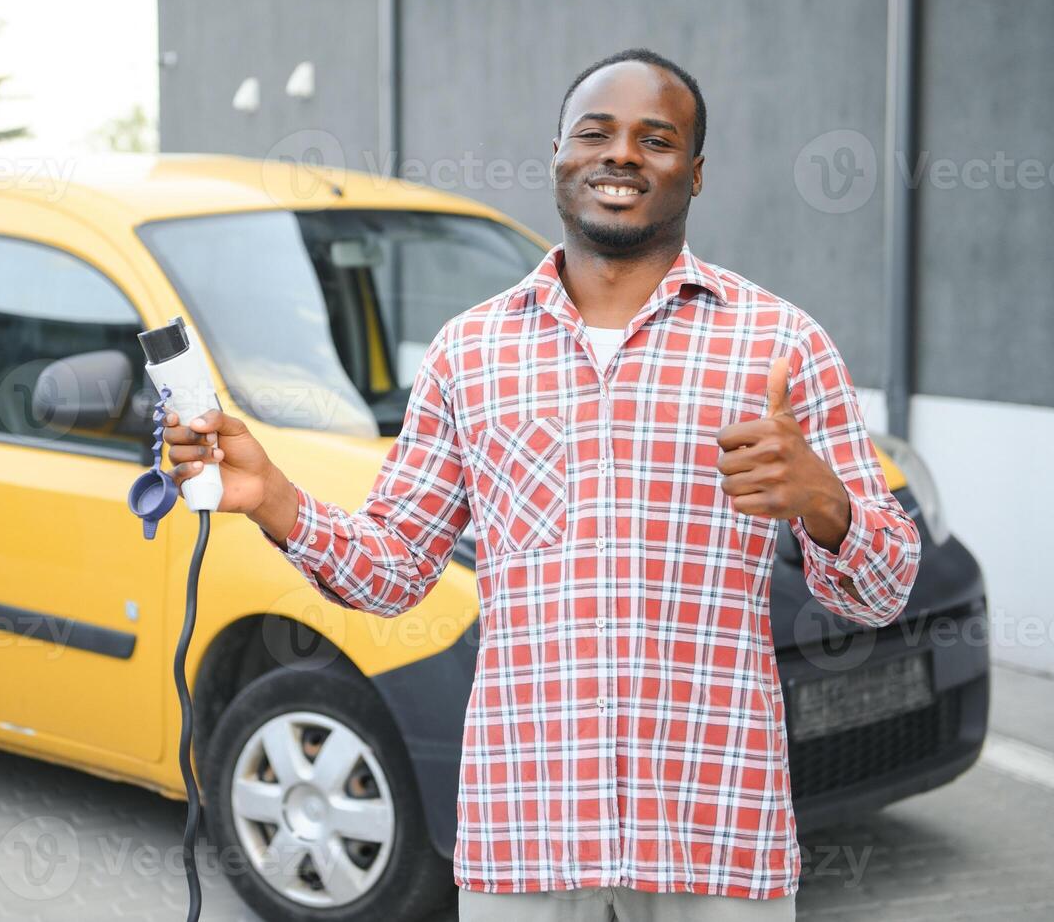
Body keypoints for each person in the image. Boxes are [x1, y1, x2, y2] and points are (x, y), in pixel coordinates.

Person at [161, 48, 921, 922]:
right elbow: (394, 570)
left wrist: (824, 504)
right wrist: (275, 499)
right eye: (595, 133)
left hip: (714, 826)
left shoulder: (781, 349)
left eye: (657, 138)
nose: (622, 155)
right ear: (556, 155)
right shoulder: (469, 353)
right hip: (526, 829)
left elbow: (883, 589)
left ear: (696, 173)